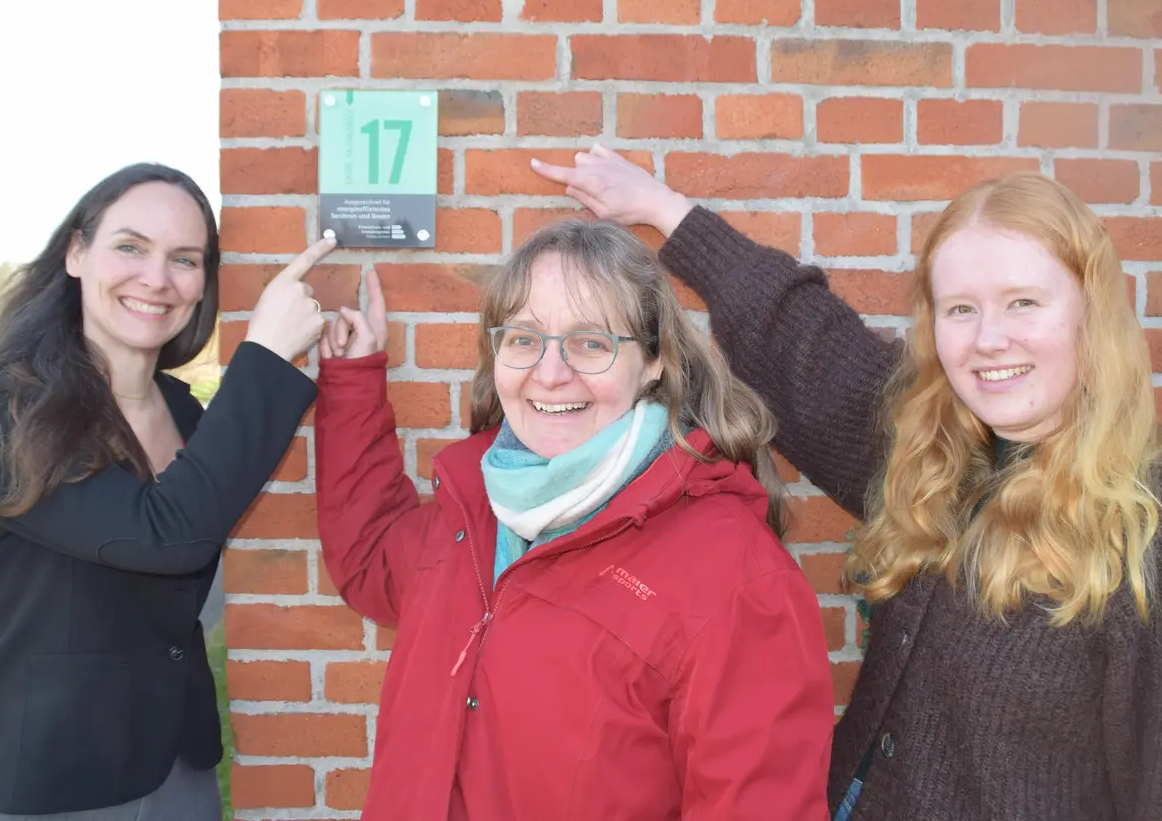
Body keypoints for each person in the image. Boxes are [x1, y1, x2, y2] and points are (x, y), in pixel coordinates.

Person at [532, 146, 1162, 821]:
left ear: (1091, 314)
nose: (989, 339)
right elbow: (805, 346)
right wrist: (664, 211)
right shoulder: (933, 458)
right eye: (961, 309)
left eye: (1024, 303)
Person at [310, 219, 834, 820]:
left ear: (655, 361)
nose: (551, 373)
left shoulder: (737, 578)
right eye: (524, 338)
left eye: (591, 342)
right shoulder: (475, 506)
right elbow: (372, 556)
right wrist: (353, 382)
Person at [0, 163, 333, 819]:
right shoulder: (4, 412)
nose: (156, 278)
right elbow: (163, 536)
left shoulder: (190, 418)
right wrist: (268, 357)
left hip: (173, 773)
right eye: (130, 247)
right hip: (39, 784)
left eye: (184, 259)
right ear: (77, 253)